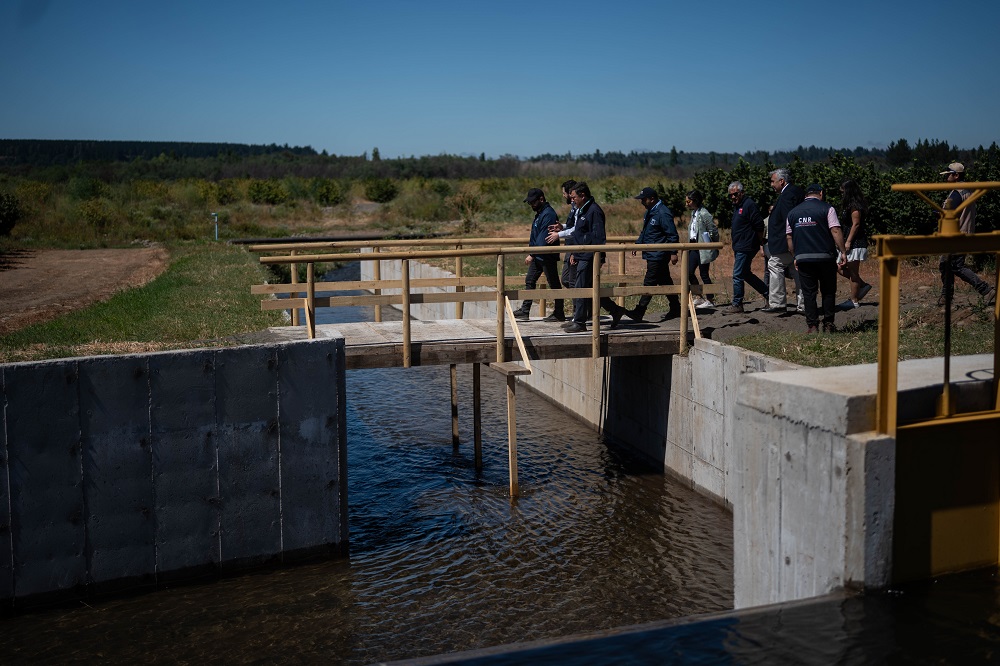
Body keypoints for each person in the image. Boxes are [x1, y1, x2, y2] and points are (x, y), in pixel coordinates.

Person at [546, 181, 626, 333]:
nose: (572, 199)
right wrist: (575, 252)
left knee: (581, 287)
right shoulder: (583, 209)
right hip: (581, 255)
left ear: (583, 195)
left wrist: (595, 257)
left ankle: (580, 322)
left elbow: (597, 237)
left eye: (574, 197)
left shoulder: (593, 211)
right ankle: (614, 311)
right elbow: (579, 233)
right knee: (588, 287)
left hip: (589, 256)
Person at [786, 184, 847, 333]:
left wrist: (795, 256)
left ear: (806, 195)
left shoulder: (792, 213)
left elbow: (789, 237)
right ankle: (828, 324)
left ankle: (812, 325)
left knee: (809, 293)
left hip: (803, 258)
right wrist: (843, 251)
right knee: (828, 291)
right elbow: (835, 230)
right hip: (825, 256)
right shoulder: (827, 208)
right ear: (820, 193)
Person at [937, 162, 996, 306]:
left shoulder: (956, 192)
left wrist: (938, 213)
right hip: (965, 231)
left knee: (956, 266)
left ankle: (986, 290)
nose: (946, 178)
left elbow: (949, 214)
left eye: (948, 175)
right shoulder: (968, 189)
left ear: (956, 175)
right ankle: (945, 297)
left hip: (956, 234)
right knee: (946, 264)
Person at [623, 187, 681, 322]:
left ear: (652, 199)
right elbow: (646, 232)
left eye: (644, 199)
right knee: (665, 280)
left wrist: (673, 252)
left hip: (659, 254)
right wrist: (638, 244)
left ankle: (639, 311)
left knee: (649, 282)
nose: (642, 202)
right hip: (651, 253)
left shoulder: (663, 213)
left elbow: (672, 234)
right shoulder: (650, 212)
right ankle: (675, 307)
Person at [512, 188, 564, 322]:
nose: (531, 206)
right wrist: (533, 252)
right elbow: (535, 236)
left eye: (533, 203)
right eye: (530, 203)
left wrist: (532, 254)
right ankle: (525, 310)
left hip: (546, 254)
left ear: (541, 199)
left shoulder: (548, 214)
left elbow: (543, 238)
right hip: (538, 254)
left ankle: (559, 312)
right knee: (530, 280)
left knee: (553, 283)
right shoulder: (540, 213)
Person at [763, 168, 805, 313]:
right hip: (794, 240)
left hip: (785, 242)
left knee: (775, 265)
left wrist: (790, 240)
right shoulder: (795, 192)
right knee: (797, 270)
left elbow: (789, 218)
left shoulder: (787, 195)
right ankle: (803, 304)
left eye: (773, 181)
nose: (771, 185)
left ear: (782, 181)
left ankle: (777, 302)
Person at [724, 181, 768, 314]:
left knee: (737, 275)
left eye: (735, 194)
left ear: (742, 193)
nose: (733, 197)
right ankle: (768, 294)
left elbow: (759, 225)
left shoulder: (749, 205)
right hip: (740, 246)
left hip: (746, 246)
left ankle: (737, 304)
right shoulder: (737, 206)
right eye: (730, 195)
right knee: (746, 274)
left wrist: (760, 243)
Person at [836, 179, 873, 309]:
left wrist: (848, 241)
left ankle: (854, 300)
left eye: (843, 192)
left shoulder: (855, 206)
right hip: (849, 240)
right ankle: (862, 286)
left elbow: (855, 224)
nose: (842, 194)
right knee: (840, 267)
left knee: (853, 272)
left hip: (855, 241)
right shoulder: (851, 204)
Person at [685, 189, 718, 309]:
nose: (687, 204)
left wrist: (711, 244)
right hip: (693, 246)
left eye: (689, 201)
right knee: (689, 272)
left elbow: (713, 230)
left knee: (704, 273)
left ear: (695, 201)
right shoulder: (693, 213)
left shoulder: (704, 214)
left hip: (703, 247)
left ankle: (710, 299)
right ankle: (698, 296)